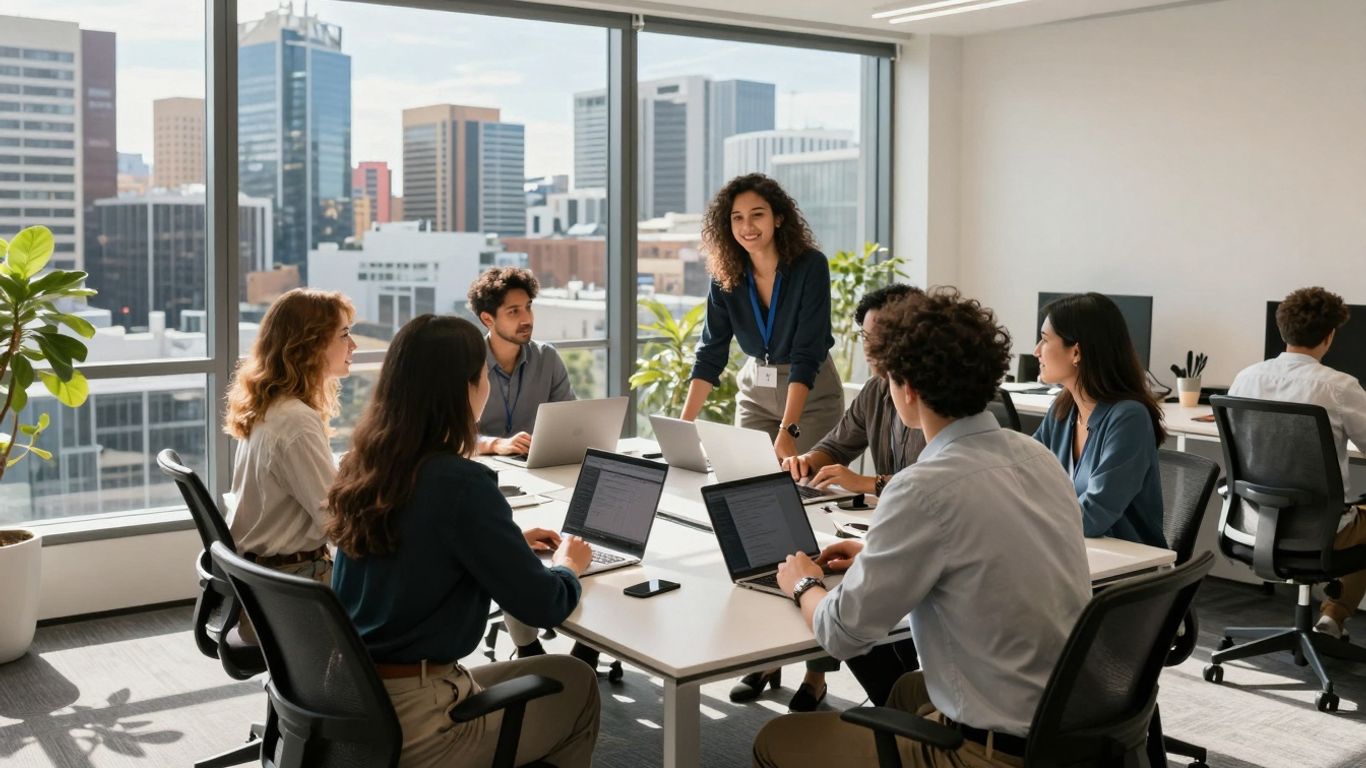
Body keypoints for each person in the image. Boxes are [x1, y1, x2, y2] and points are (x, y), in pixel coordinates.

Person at [755, 287, 1091, 768]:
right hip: (1068, 720)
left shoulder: (921, 489)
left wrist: (802, 582)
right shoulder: (1039, 458)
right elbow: (975, 553)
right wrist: (874, 552)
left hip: (996, 750)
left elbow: (840, 633)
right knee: (904, 689)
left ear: (907, 389)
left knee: (775, 739)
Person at [328, 314, 600, 768]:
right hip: (418, 720)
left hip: (351, 698)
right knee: (577, 684)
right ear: (467, 387)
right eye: (481, 374)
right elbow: (543, 606)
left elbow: (418, 546)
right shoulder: (460, 483)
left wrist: (506, 541)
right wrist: (569, 567)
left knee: (564, 670)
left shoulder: (364, 464)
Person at [770, 283, 929, 710]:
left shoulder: (939, 479)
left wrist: (804, 584)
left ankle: (899, 722)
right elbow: (838, 445)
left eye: (883, 338)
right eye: (867, 338)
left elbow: (924, 486)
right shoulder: (878, 392)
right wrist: (807, 460)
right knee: (850, 585)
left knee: (843, 606)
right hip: (1017, 707)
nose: (873, 350)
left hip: (972, 726)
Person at [1228, 286, 1366, 639]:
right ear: (1330, 335)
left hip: (1253, 524)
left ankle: (1331, 617)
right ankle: (1333, 616)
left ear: (1282, 329)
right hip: (1320, 533)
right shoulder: (1339, 386)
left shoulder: (1246, 378)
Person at [680, 173, 842, 461]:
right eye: (737, 218)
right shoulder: (725, 276)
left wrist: (788, 428)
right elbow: (710, 353)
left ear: (778, 218)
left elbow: (808, 353)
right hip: (756, 396)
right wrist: (682, 428)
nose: (747, 226)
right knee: (747, 484)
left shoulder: (810, 266)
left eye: (757, 215)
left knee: (807, 492)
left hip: (810, 398)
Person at [224, 287, 356, 584]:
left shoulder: (271, 405)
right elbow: (336, 524)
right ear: (311, 345)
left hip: (263, 583)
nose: (354, 345)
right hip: (293, 589)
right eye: (344, 335)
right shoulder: (296, 422)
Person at [1032, 292, 1168, 548]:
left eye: (1044, 340)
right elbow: (1024, 474)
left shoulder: (1129, 418)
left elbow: (1094, 516)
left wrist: (1029, 519)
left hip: (1127, 570)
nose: (1036, 351)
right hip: (1074, 551)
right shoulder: (1063, 410)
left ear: (1076, 352)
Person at [468, 266, 575, 458]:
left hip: (535, 465)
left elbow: (570, 423)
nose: (527, 319)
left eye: (528, 306)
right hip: (483, 466)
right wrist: (495, 444)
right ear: (487, 319)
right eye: (513, 311)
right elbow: (451, 437)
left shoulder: (547, 357)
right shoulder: (467, 363)